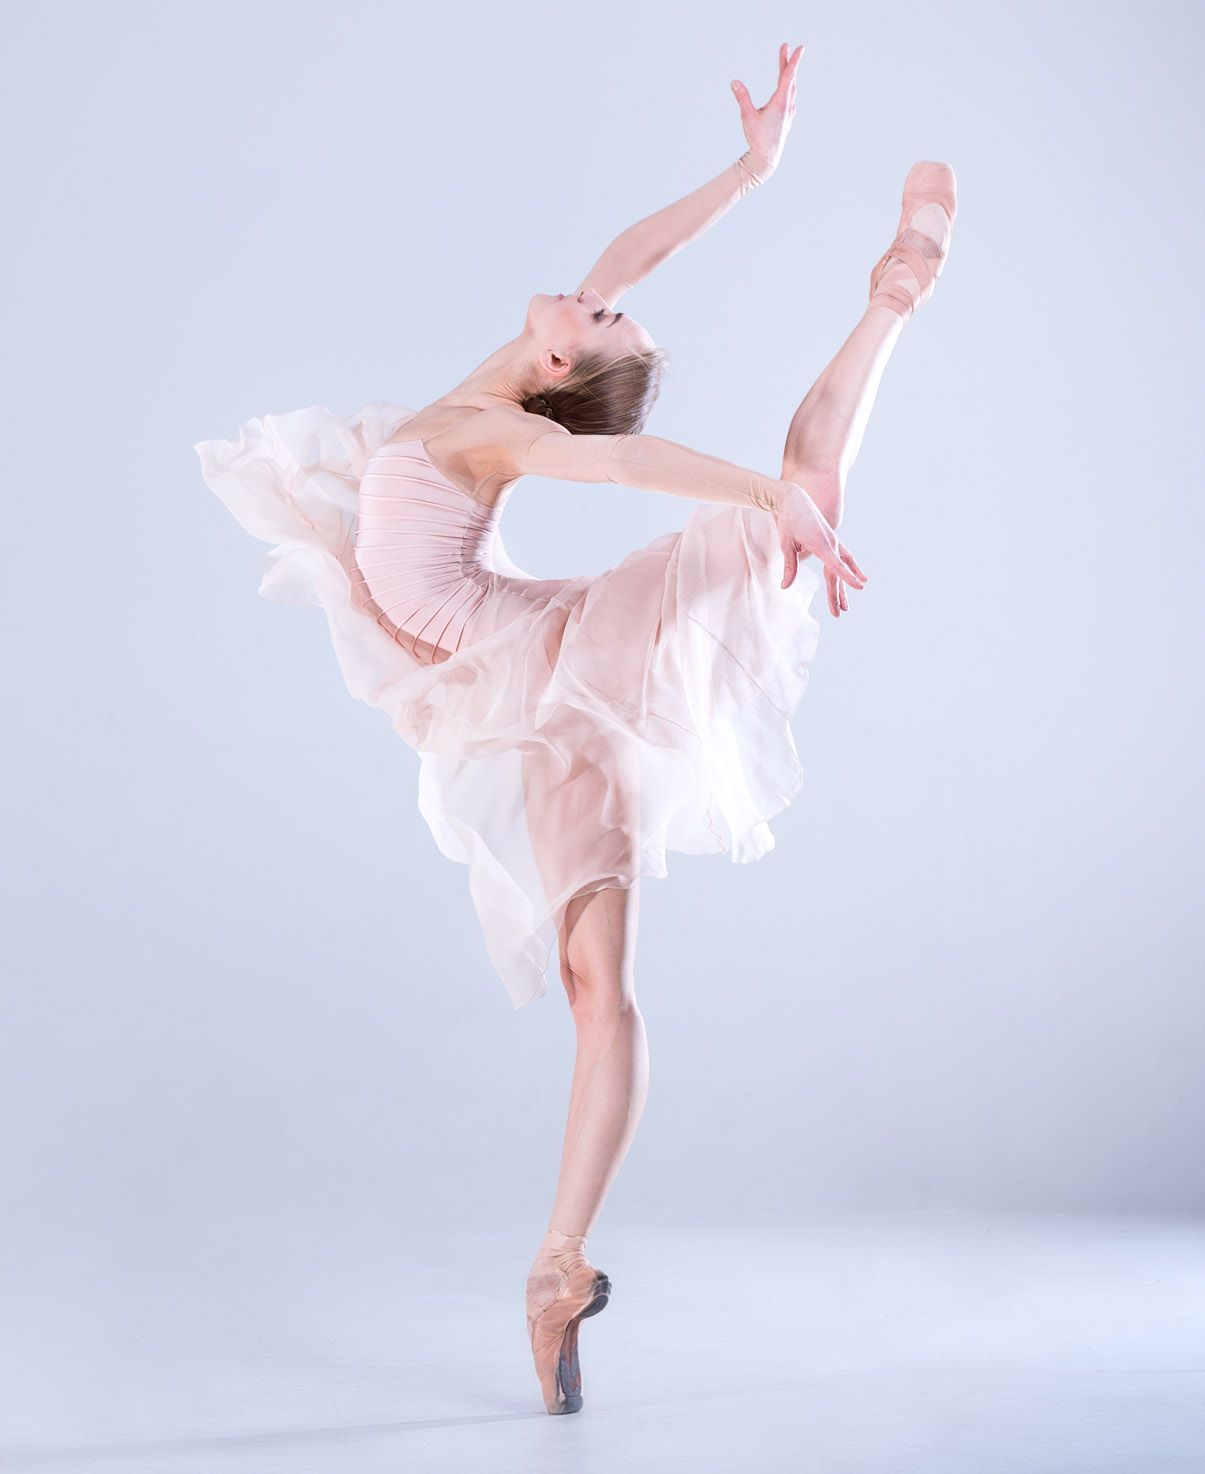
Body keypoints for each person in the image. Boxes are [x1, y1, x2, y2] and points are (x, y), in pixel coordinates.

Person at [195, 41, 956, 1416]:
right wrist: (750, 168)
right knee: (593, 986)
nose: (601, 300)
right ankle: (556, 1271)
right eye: (605, 312)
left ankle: (889, 301)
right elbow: (630, 254)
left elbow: (612, 455)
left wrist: (751, 492)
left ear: (561, 367)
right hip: (524, 666)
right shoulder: (505, 372)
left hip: (561, 679)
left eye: (602, 321)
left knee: (788, 503)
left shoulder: (516, 430)